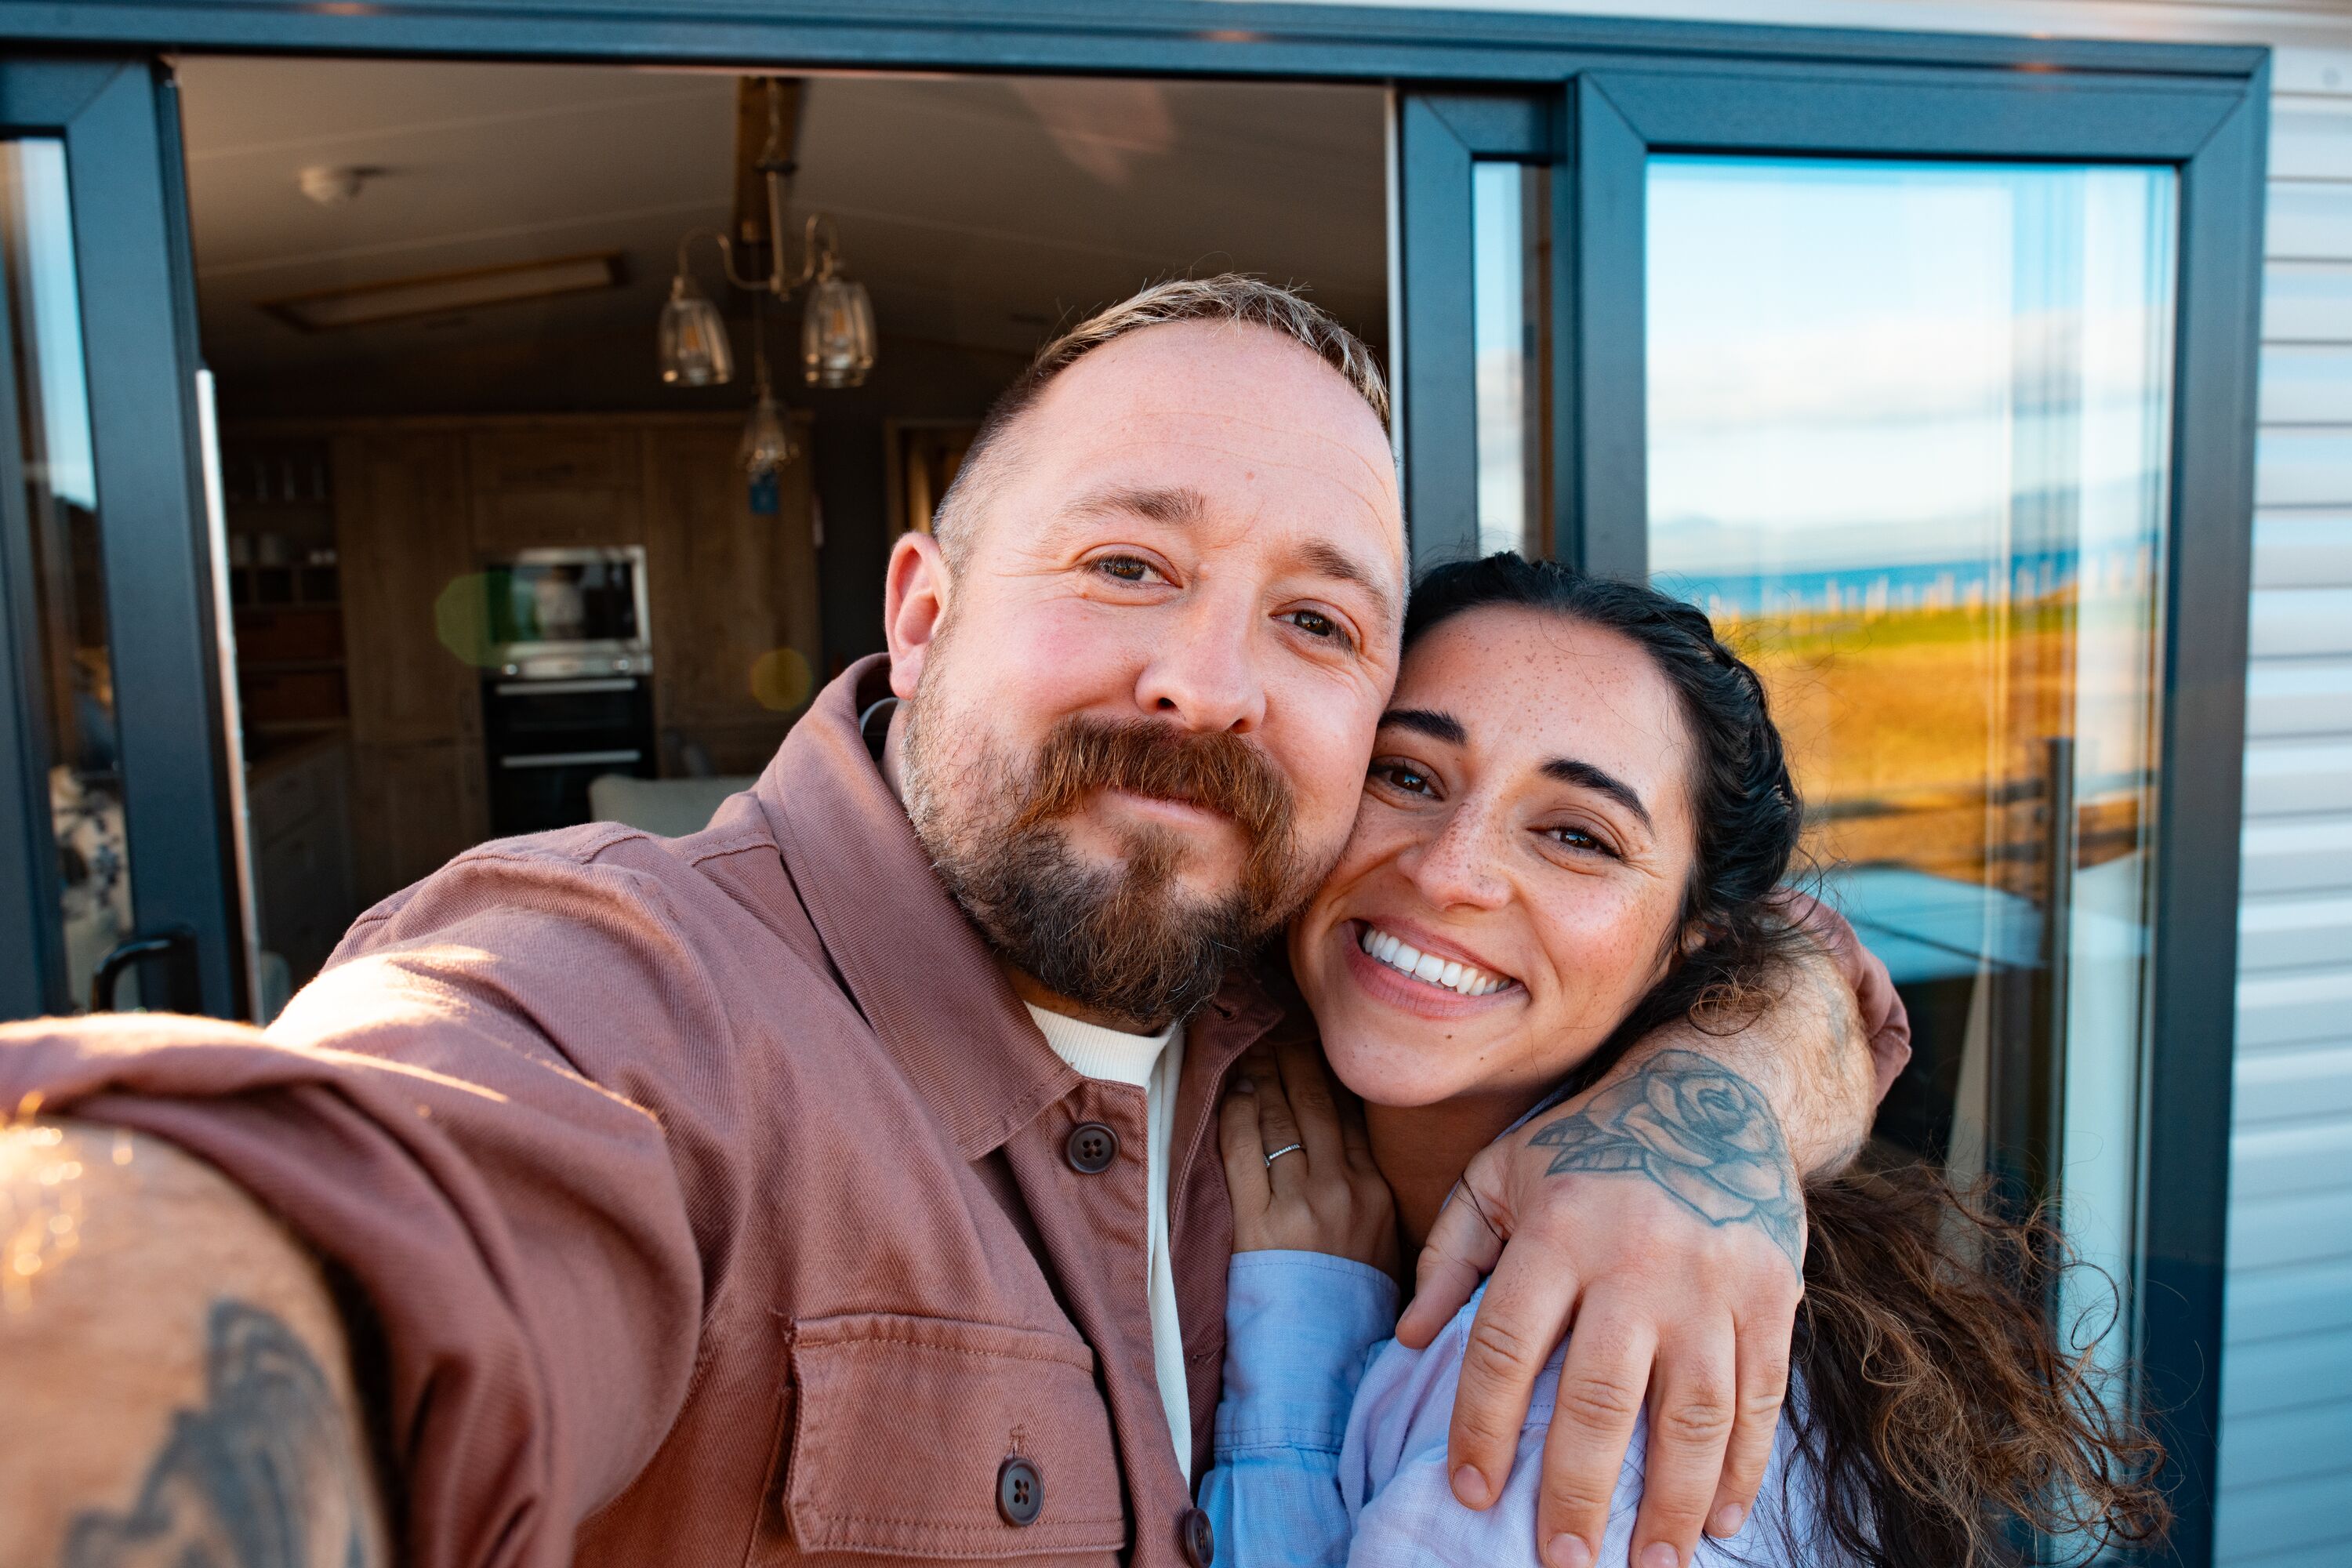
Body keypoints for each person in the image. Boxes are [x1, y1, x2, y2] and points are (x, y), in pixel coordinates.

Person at [0, 279, 1884, 1568]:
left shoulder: (1305, 998)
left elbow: (1794, 956)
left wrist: (1711, 1091)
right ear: (920, 612)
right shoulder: (637, 989)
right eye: (1127, 563)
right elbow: (392, 1198)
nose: (1209, 682)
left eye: (1316, 625)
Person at [1198, 555, 2168, 1567]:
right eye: (1405, 775)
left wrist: (1297, 1359)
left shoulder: (1593, 1366)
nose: (1450, 870)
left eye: (1578, 835)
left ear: (1690, 939)